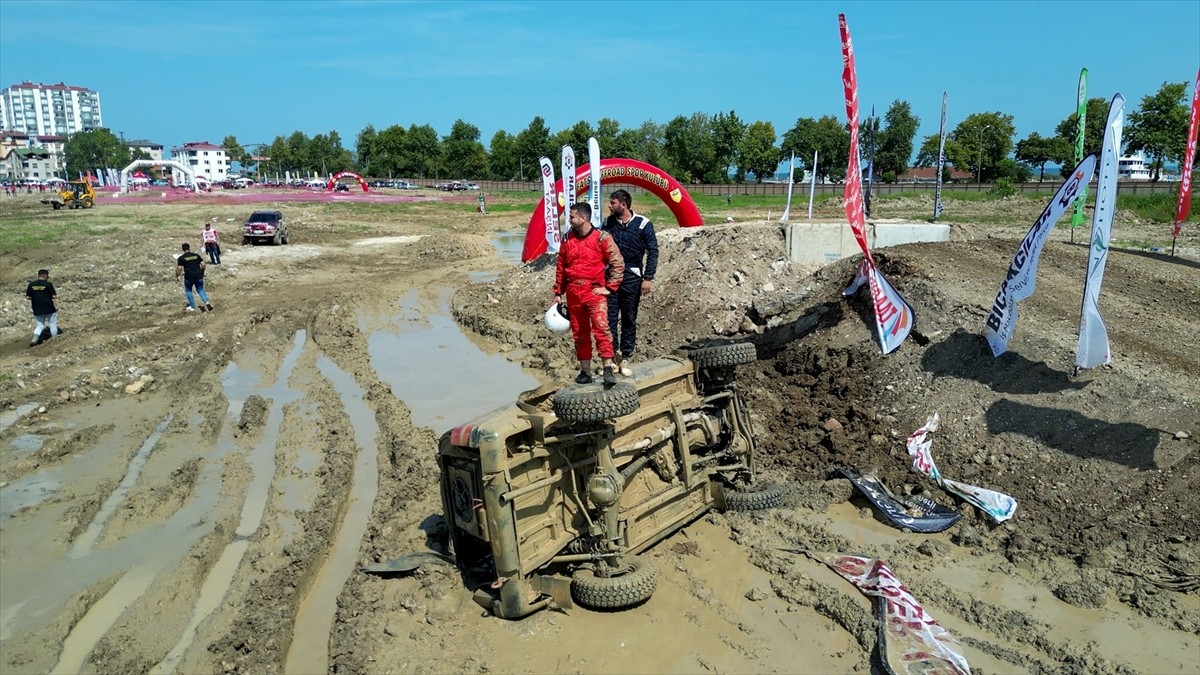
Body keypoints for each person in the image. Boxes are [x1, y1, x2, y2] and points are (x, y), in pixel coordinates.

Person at [552, 202, 624, 388]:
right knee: (580, 334)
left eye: (573, 217)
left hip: (594, 293)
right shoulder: (567, 239)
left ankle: (608, 368)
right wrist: (558, 292)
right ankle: (585, 372)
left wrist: (610, 287)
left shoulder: (602, 238)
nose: (570, 220)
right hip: (574, 294)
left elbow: (617, 263)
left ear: (584, 218)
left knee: (601, 329)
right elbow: (561, 267)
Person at [601, 189, 659, 377]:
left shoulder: (643, 225)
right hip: (610, 279)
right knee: (609, 319)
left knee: (629, 318)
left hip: (633, 278)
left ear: (624, 204)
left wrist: (648, 278)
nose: (609, 206)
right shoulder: (607, 223)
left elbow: (653, 251)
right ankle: (612, 358)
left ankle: (625, 357)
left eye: (613, 202)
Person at [26, 268, 60, 347]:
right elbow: (54, 296)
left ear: (38, 275)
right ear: (46, 276)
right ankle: (55, 340)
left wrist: (36, 297)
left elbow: (28, 297)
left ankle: (34, 339)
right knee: (52, 324)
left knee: (40, 325)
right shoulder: (48, 284)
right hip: (49, 307)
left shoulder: (31, 285)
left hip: (37, 308)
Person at [175, 243, 213, 313]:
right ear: (189, 248)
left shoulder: (181, 258)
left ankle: (193, 306)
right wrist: (202, 272)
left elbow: (179, 268)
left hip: (189, 277)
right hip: (198, 275)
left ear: (183, 249)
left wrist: (177, 276)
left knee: (188, 290)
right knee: (200, 290)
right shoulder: (196, 255)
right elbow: (203, 264)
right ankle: (206, 302)